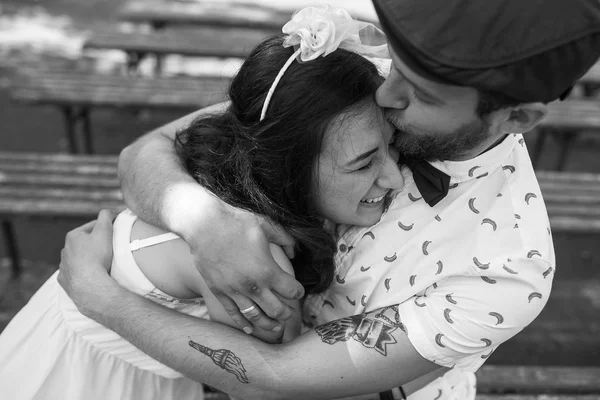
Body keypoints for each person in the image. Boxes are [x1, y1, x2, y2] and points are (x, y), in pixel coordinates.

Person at [57, 0, 600, 399]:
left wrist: (100, 299)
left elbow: (278, 379)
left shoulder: (507, 269)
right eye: (396, 66)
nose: (386, 91)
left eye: (424, 94)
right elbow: (145, 153)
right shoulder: (372, 75)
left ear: (517, 117)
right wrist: (204, 225)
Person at [0, 11, 409, 399]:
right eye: (364, 163)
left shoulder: (241, 149)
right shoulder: (257, 261)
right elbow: (268, 386)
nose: (394, 177)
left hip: (47, 341)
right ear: (289, 167)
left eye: (393, 148)